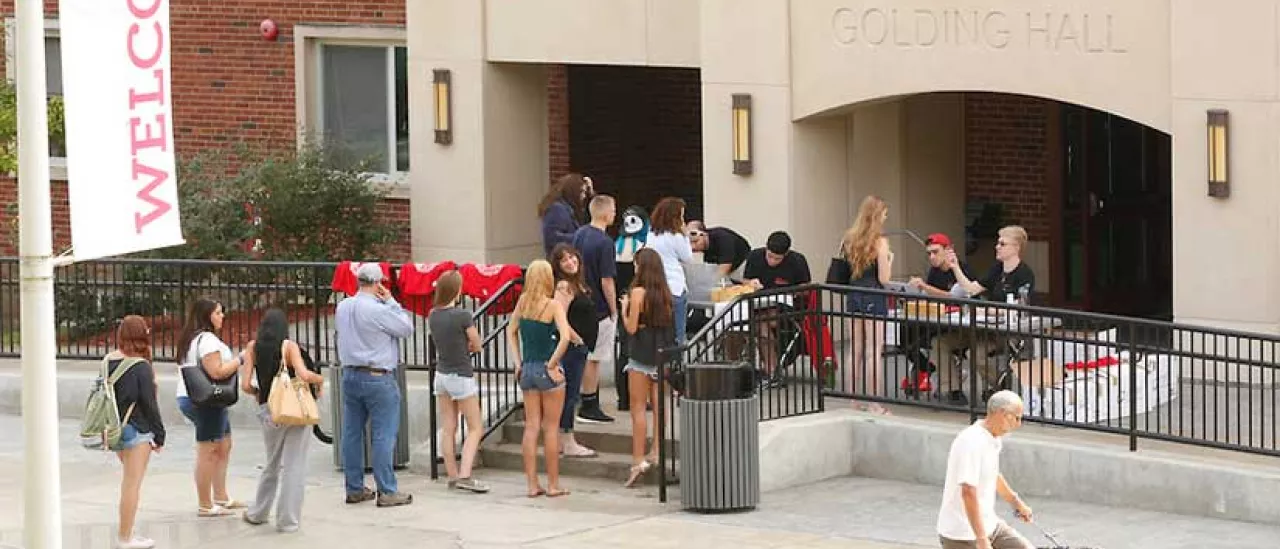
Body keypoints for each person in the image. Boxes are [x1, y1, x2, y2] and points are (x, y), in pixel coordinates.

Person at [239, 308, 327, 532]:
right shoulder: (289, 346)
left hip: (268, 409)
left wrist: (261, 394)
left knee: (272, 462)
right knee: (294, 465)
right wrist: (320, 380)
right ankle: (288, 520)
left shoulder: (252, 347)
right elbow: (304, 374)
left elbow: (246, 385)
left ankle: (258, 511)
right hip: (294, 409)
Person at [336, 263, 415, 507]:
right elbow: (406, 328)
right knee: (383, 434)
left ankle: (354, 487)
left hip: (349, 373)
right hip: (378, 375)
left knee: (351, 433)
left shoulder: (343, 306)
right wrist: (391, 301)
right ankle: (387, 490)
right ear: (379, 283)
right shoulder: (378, 309)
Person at [935, 226, 1036, 402]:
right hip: (984, 328)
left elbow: (1018, 308)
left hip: (1006, 332)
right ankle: (953, 390)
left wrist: (987, 310)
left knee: (977, 353)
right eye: (998, 242)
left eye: (1002, 243)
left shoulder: (1025, 274)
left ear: (1016, 247)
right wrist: (955, 267)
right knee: (940, 343)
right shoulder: (997, 268)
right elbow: (972, 289)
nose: (997, 246)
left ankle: (999, 384)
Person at [506, 259, 573, 498]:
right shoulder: (553, 305)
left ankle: (532, 484)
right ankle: (553, 484)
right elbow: (565, 337)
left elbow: (510, 331)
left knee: (531, 426)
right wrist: (553, 363)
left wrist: (517, 362)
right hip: (547, 367)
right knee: (551, 428)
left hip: (527, 368)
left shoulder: (523, 302)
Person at [175, 298, 246, 517]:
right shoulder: (207, 341)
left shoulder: (195, 339)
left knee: (223, 445)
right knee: (208, 450)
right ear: (207, 316)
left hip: (201, 398)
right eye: (218, 313)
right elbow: (217, 372)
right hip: (206, 401)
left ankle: (221, 496)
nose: (222, 316)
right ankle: (205, 503)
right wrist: (240, 359)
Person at [937, 390, 1035, 549]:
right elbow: (968, 491)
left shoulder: (993, 438)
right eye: (1016, 418)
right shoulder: (971, 442)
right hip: (961, 534)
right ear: (1002, 414)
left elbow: (993, 474)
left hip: (991, 525)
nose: (1018, 424)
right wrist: (981, 539)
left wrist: (1016, 503)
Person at [427, 271, 491, 492]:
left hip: (441, 374)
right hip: (461, 375)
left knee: (448, 428)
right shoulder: (463, 315)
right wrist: (472, 346)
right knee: (475, 427)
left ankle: (452, 475)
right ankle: (465, 475)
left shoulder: (433, 315)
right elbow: (476, 342)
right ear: (457, 290)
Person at [620, 248, 675, 488]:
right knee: (660, 407)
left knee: (638, 410)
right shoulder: (665, 293)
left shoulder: (638, 292)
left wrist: (624, 309)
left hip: (641, 357)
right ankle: (658, 450)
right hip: (661, 356)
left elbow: (631, 328)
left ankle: (638, 460)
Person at [109, 316, 165, 549]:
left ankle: (128, 531)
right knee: (132, 485)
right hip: (138, 430)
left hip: (116, 428)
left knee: (128, 482)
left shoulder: (109, 361)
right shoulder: (140, 366)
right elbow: (149, 404)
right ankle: (125, 537)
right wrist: (159, 435)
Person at [905, 233, 974, 401]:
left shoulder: (962, 270)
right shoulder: (934, 272)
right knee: (908, 338)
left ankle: (951, 384)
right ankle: (932, 371)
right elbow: (932, 297)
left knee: (934, 342)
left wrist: (925, 287)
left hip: (962, 326)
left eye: (935, 252)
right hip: (940, 322)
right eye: (929, 253)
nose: (932, 257)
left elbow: (954, 296)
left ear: (948, 250)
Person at [843, 196, 893, 415]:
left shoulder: (849, 239)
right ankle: (874, 403)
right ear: (876, 215)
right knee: (874, 351)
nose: (885, 217)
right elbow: (884, 278)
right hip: (874, 295)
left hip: (854, 294)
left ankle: (852, 400)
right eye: (883, 213)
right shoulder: (880, 242)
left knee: (855, 350)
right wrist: (890, 261)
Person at [570, 194, 618, 423]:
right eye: (614, 210)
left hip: (577, 301)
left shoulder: (579, 234)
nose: (615, 214)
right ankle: (589, 403)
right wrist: (614, 308)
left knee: (582, 354)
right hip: (598, 306)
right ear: (606, 213)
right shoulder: (605, 242)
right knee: (595, 357)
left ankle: (580, 398)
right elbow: (606, 280)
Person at [742, 231, 812, 385]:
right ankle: (768, 369)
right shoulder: (755, 256)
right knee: (753, 320)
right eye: (769, 256)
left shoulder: (797, 261)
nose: (772, 261)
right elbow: (746, 280)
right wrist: (751, 283)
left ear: (786, 254)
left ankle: (771, 370)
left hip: (787, 306)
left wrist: (792, 292)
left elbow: (806, 287)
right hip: (758, 304)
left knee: (764, 322)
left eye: (777, 258)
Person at [551, 244, 600, 458]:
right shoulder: (564, 287)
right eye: (564, 260)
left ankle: (564, 440)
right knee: (570, 394)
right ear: (558, 265)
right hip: (571, 349)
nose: (571, 262)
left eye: (572, 257)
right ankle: (567, 440)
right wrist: (576, 339)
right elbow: (558, 316)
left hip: (580, 349)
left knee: (570, 393)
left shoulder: (577, 284)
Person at [646, 197, 694, 346]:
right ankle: (677, 364)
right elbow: (687, 258)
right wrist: (686, 236)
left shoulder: (651, 235)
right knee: (677, 333)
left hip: (655, 286)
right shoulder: (677, 236)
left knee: (659, 331)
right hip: (675, 286)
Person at [539, 173, 594, 258]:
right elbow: (552, 237)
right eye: (582, 192)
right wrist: (581, 238)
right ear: (573, 191)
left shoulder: (570, 209)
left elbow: (594, 213)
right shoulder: (557, 209)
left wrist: (591, 195)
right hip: (561, 261)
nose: (584, 196)